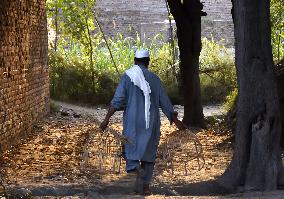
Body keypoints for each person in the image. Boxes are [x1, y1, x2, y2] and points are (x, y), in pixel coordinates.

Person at [100, 49, 185, 195]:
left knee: (129, 149)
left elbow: (117, 101)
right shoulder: (155, 79)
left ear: (134, 61)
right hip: (150, 123)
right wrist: (175, 119)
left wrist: (106, 119)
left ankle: (135, 168)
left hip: (132, 122)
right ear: (148, 62)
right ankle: (146, 187)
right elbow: (164, 101)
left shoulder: (127, 76)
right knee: (149, 153)